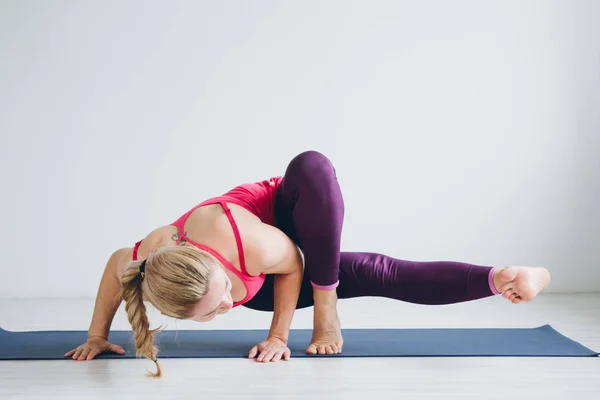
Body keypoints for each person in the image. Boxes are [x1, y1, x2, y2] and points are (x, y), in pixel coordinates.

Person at [64, 150, 551, 377]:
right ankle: (497, 279)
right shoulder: (153, 260)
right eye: (214, 312)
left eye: (221, 298)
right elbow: (115, 265)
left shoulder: (246, 241)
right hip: (274, 278)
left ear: (214, 264)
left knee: (314, 165)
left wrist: (281, 337)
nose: (227, 310)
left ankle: (329, 305)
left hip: (294, 239)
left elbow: (293, 260)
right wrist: (96, 335)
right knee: (369, 270)